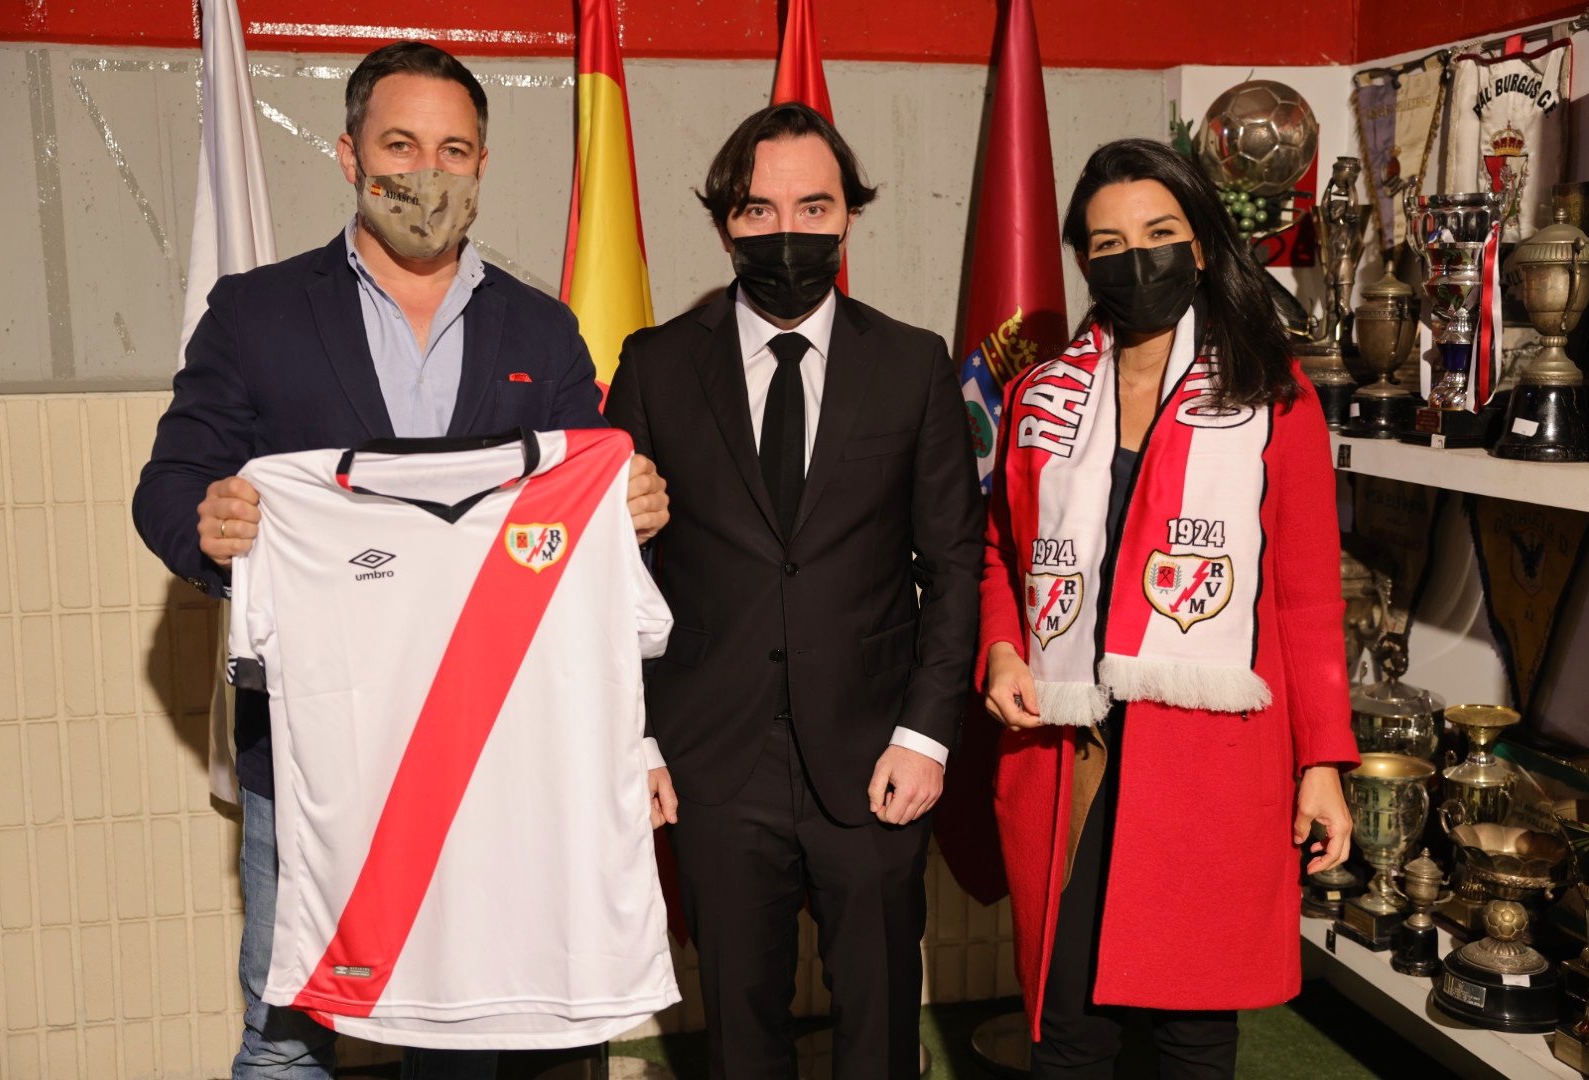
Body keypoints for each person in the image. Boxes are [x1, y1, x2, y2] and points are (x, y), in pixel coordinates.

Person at [132, 41, 668, 1080]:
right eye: (400, 146)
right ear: (349, 155)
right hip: (314, 740)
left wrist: (631, 506)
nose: (428, 172)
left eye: (454, 150)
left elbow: (586, 484)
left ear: (482, 165)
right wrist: (208, 524)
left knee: (465, 1020)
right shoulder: (256, 313)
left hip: (489, 741)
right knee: (289, 1029)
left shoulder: (541, 328)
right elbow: (170, 481)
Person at [604, 103, 983, 1079]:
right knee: (739, 1036)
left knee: (879, 1030)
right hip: (713, 759)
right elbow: (611, 576)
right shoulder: (654, 365)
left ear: (848, 215)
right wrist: (636, 739)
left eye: (813, 208)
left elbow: (954, 565)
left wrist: (926, 735)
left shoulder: (912, 364)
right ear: (724, 224)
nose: (788, 232)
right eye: (758, 210)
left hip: (876, 754)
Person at [978, 138, 1358, 1079]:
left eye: (1158, 234)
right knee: (1066, 1027)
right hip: (1069, 747)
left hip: (1208, 754)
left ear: (1200, 245)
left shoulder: (1271, 397)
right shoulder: (1038, 399)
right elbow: (998, 553)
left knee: (1192, 1032)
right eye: (1108, 243)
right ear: (1082, 260)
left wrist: (1322, 762)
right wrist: (1000, 649)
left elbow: (1309, 595)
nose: (1134, 259)